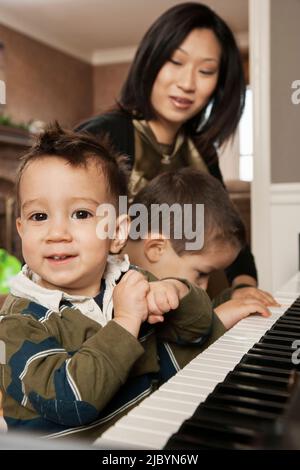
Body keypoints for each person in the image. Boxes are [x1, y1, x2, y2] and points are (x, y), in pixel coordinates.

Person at [0, 124, 230, 442]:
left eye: (80, 214)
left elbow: (200, 329)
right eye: (40, 217)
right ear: (22, 229)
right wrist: (124, 322)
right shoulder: (19, 320)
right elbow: (69, 402)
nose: (56, 233)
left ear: (118, 233)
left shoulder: (128, 279)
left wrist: (176, 291)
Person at [76, 2, 277, 306]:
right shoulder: (101, 136)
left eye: (206, 71)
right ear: (151, 60)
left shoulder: (203, 151)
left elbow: (229, 231)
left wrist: (244, 286)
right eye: (175, 62)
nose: (187, 83)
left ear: (219, 84)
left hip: (191, 309)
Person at [124, 168, 271, 329]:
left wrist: (231, 297)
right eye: (201, 274)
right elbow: (168, 344)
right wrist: (217, 321)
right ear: (156, 248)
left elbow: (189, 311)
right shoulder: (113, 293)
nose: (205, 286)